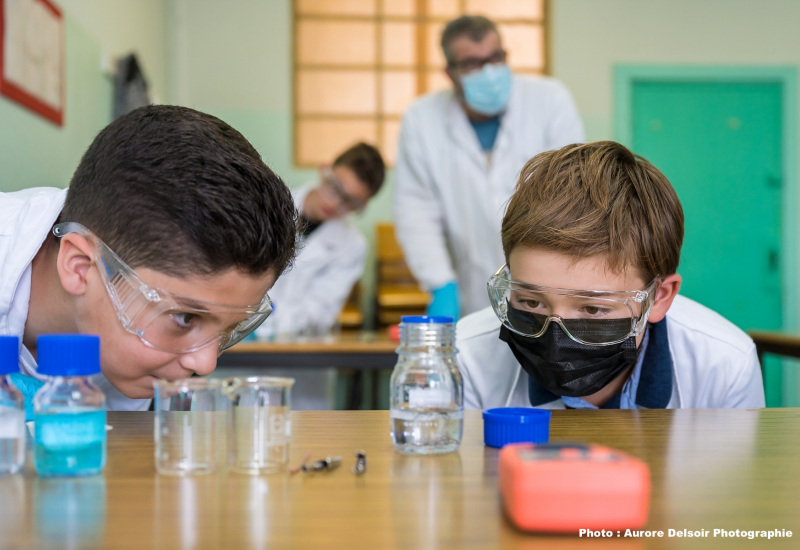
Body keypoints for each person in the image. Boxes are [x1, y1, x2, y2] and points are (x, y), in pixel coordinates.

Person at [0, 105, 299, 411]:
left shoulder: (131, 350)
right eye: (185, 318)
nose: (205, 364)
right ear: (79, 267)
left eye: (230, 329)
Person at [457, 141, 765, 410]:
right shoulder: (464, 358)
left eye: (592, 308)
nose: (554, 340)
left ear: (658, 297)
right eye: (531, 302)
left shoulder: (725, 366)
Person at [393, 15, 585, 321]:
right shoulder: (422, 120)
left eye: (495, 58)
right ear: (450, 72)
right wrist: (439, 282)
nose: (489, 71)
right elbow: (416, 211)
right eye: (472, 63)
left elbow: (574, 195)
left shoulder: (549, 101)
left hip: (551, 287)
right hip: (471, 291)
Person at [255, 142, 385, 339]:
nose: (334, 203)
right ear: (324, 170)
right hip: (236, 335)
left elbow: (319, 312)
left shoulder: (352, 246)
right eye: (335, 187)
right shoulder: (267, 205)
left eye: (350, 202)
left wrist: (260, 317)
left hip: (302, 348)